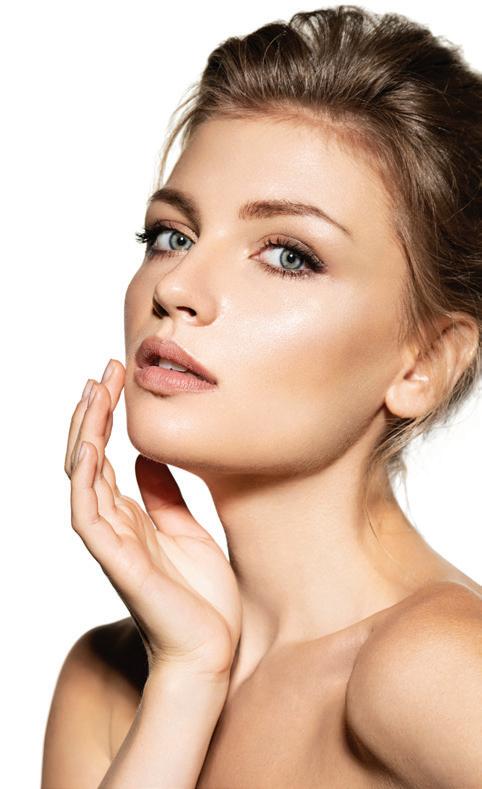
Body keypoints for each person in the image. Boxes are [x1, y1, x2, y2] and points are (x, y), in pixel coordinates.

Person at [41, 5, 482, 788]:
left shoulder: (438, 665)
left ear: (425, 362)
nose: (176, 285)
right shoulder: (111, 681)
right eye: (172, 235)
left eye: (287, 254)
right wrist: (188, 676)